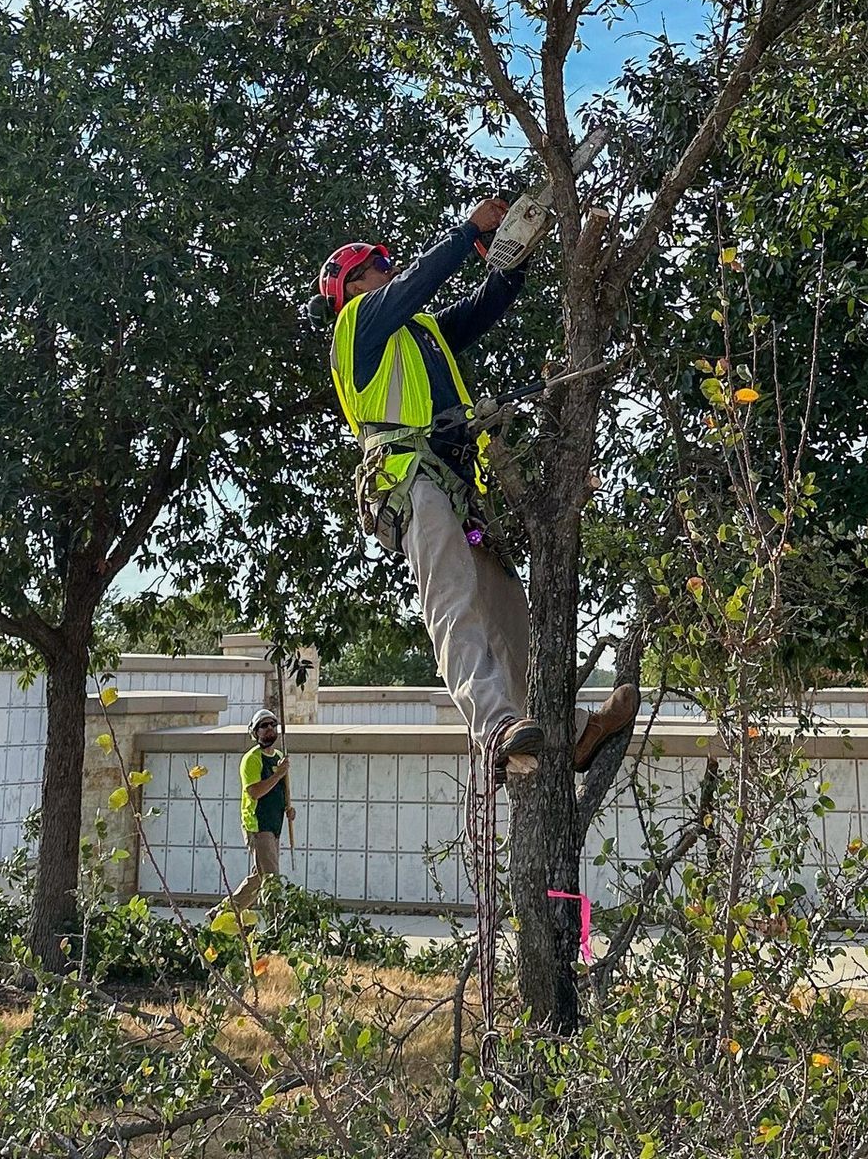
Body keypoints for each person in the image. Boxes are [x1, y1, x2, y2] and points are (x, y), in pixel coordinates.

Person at [320, 198, 638, 769]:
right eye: (378, 264)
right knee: (452, 603)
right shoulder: (358, 325)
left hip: (459, 486)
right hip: (410, 481)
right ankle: (493, 727)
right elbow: (417, 281)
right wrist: (468, 233)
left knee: (509, 613)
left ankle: (573, 731)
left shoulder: (417, 336)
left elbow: (479, 309)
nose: (390, 268)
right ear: (352, 284)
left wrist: (509, 264)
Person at [236, 705, 292, 912]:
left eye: (273, 725)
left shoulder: (278, 757)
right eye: (264, 726)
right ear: (255, 732)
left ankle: (222, 914)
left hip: (274, 824)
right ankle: (275, 925)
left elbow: (280, 790)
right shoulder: (252, 759)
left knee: (259, 878)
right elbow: (255, 792)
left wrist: (288, 808)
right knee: (271, 880)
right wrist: (278, 774)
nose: (269, 729)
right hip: (258, 825)